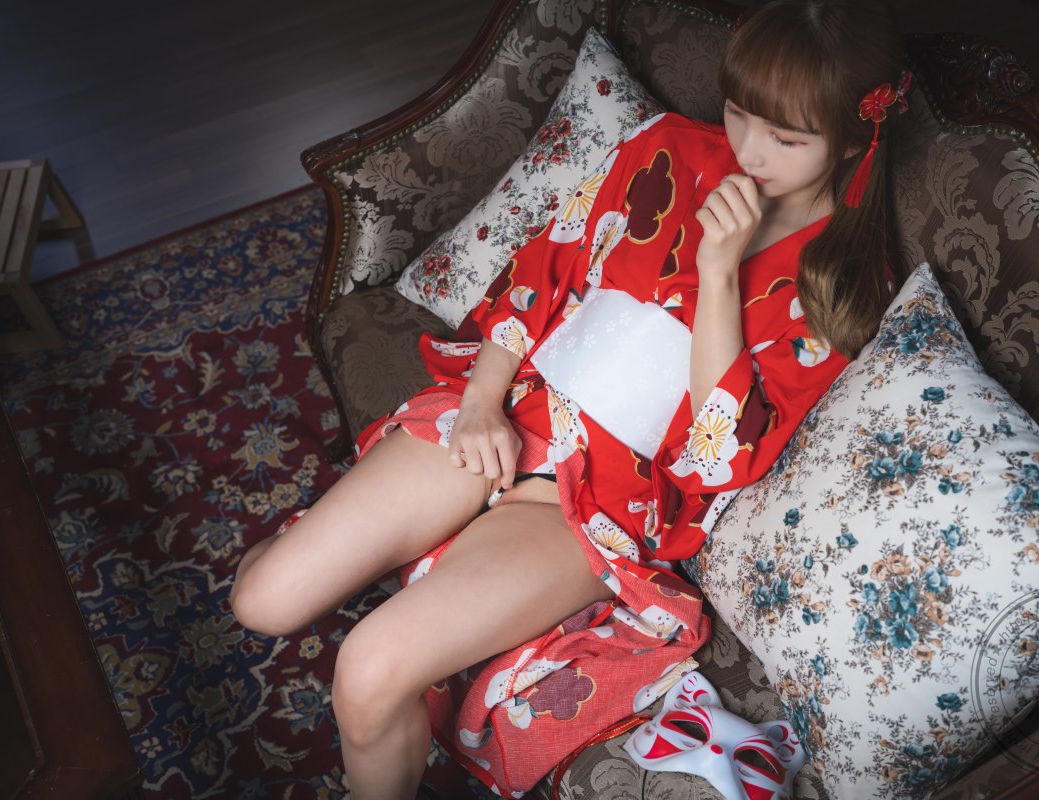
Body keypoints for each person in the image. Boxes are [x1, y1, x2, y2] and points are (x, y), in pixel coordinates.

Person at [230, 0, 908, 797]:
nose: (749, 151)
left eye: (786, 139)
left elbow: (721, 457)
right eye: (739, 114)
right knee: (261, 603)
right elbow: (540, 271)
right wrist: (481, 401)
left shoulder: (842, 291)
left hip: (593, 505)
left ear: (855, 137)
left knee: (369, 668)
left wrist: (720, 273)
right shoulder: (667, 148)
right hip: (509, 410)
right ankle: (388, 563)